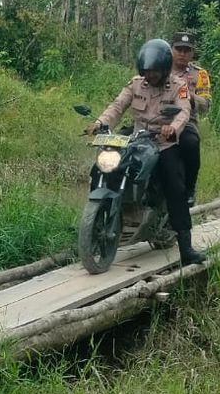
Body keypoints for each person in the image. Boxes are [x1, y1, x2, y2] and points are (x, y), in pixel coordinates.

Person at [85, 39, 206, 265]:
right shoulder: (136, 84)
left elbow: (183, 112)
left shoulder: (178, 84)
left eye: (155, 72)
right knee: (109, 164)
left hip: (164, 141)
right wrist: (99, 122)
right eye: (146, 71)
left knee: (175, 188)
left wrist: (173, 128)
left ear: (164, 68)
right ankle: (100, 219)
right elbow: (117, 106)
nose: (150, 76)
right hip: (138, 136)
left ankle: (186, 248)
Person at [171, 31, 211, 206]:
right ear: (171, 49)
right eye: (178, 49)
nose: (182, 53)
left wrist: (190, 96)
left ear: (192, 53)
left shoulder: (200, 75)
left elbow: (206, 105)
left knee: (191, 144)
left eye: (186, 50)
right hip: (156, 118)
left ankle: (189, 189)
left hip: (187, 121)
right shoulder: (160, 67)